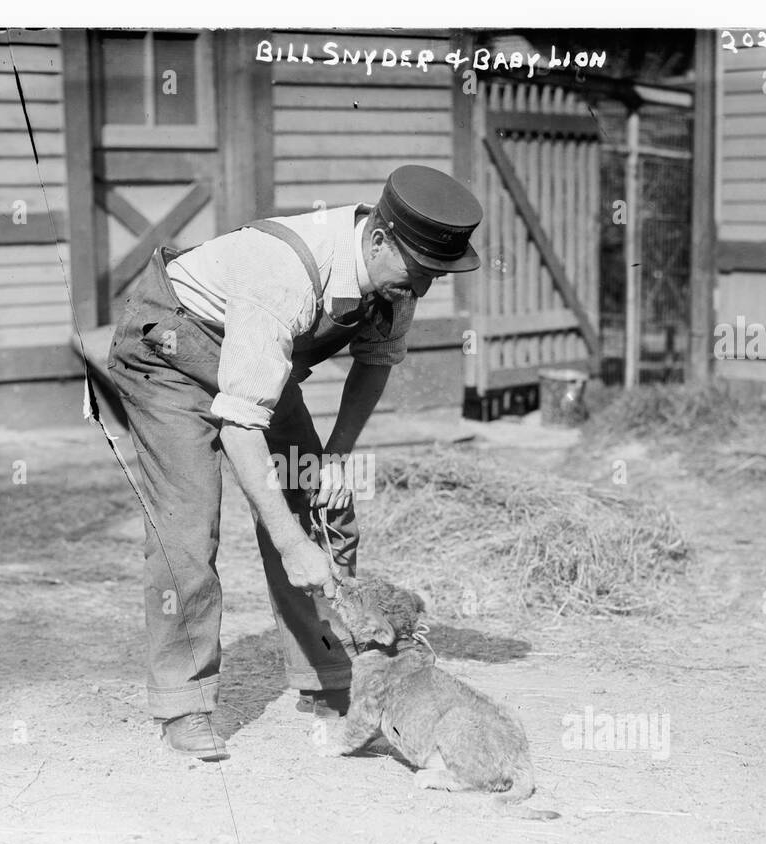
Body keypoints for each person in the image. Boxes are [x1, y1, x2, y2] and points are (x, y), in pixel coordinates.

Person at [104, 164, 483, 758]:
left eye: (436, 275)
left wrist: (335, 458)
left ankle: (325, 676)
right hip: (171, 353)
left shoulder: (398, 276)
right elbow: (240, 422)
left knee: (322, 507)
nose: (425, 288)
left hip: (248, 363)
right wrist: (287, 542)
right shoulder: (284, 273)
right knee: (187, 529)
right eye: (420, 272)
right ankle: (183, 702)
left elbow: (375, 362)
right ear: (379, 239)